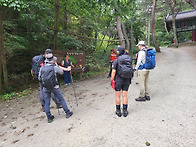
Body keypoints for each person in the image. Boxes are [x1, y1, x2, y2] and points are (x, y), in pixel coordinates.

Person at [39, 54, 73, 123]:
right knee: (61, 99)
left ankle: (49, 117)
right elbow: (61, 72)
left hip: (45, 88)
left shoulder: (42, 68)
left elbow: (39, 78)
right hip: (55, 87)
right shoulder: (54, 67)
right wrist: (56, 65)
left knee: (47, 102)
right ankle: (67, 112)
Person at [111, 46, 132, 117]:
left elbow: (114, 71)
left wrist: (112, 80)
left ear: (119, 52)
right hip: (126, 79)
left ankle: (118, 111)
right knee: (125, 95)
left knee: (117, 96)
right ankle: (125, 111)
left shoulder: (116, 60)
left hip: (118, 79)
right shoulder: (128, 59)